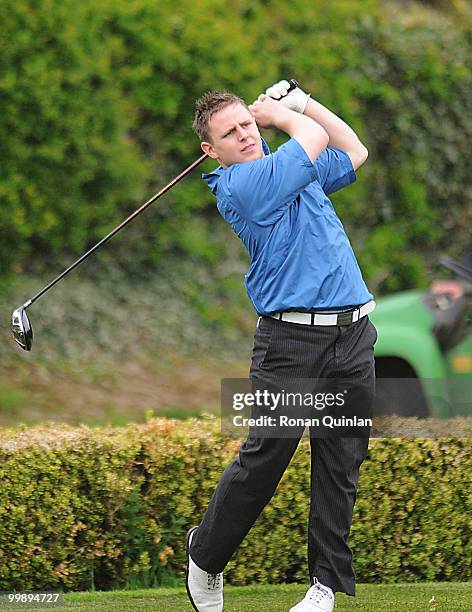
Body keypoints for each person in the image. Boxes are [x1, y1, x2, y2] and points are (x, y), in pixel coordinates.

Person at [185, 79, 377, 612]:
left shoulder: (290, 164)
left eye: (246, 123)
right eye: (231, 132)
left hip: (353, 332)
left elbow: (353, 149)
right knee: (266, 459)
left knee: (342, 461)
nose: (245, 135)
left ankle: (323, 589)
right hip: (290, 343)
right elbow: (312, 136)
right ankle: (205, 557)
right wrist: (282, 112)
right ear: (211, 151)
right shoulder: (242, 185)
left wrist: (303, 100)